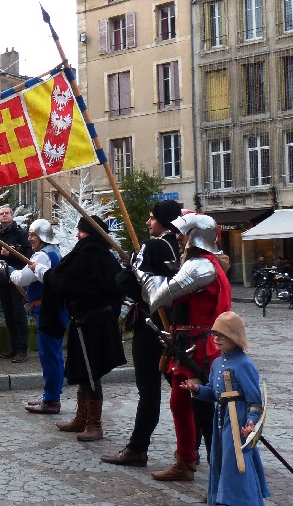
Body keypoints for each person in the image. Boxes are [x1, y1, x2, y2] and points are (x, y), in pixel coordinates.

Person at [134, 212, 232, 482]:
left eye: (182, 233)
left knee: (206, 415)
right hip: (187, 345)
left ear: (196, 237)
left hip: (200, 351)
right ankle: (185, 461)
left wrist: (140, 271)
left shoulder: (201, 265)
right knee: (179, 403)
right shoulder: (197, 263)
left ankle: (221, 481)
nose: (177, 237)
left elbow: (156, 298)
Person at [102, 200, 182, 467]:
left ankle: (137, 448)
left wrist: (129, 272)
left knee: (149, 389)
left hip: (153, 323)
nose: (148, 222)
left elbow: (129, 282)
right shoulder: (184, 246)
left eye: (151, 218)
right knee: (182, 388)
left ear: (162, 220)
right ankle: (188, 449)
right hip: (178, 324)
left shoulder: (154, 245)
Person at [39, 215, 126, 442]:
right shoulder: (89, 253)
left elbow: (66, 282)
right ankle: (81, 417)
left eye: (82, 231)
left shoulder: (93, 255)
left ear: (91, 233)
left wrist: (45, 275)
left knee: (90, 371)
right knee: (81, 368)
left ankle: (94, 424)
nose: (78, 235)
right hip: (84, 321)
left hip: (93, 323)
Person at [183, 311, 271, 506]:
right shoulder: (216, 364)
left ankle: (241, 501)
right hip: (221, 420)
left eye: (221, 335)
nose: (216, 339)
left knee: (236, 463)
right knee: (220, 461)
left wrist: (251, 423)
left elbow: (255, 401)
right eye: (214, 334)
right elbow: (215, 394)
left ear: (234, 337)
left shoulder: (244, 364)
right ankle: (222, 498)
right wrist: (197, 389)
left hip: (237, 421)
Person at [9, 218, 65, 414]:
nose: (29, 238)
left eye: (33, 235)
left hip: (48, 310)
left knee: (49, 355)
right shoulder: (54, 252)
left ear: (42, 237)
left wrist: (8, 271)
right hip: (51, 308)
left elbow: (22, 278)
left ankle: (51, 400)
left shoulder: (42, 256)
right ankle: (51, 395)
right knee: (53, 354)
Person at [0, 205, 33, 362]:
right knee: (9, 315)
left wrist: (13, 252)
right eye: (1, 214)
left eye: (7, 213)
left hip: (17, 279)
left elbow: (29, 254)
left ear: (12, 216)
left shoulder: (20, 233)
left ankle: (22, 350)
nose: (4, 215)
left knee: (18, 314)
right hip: (2, 279)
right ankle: (13, 347)